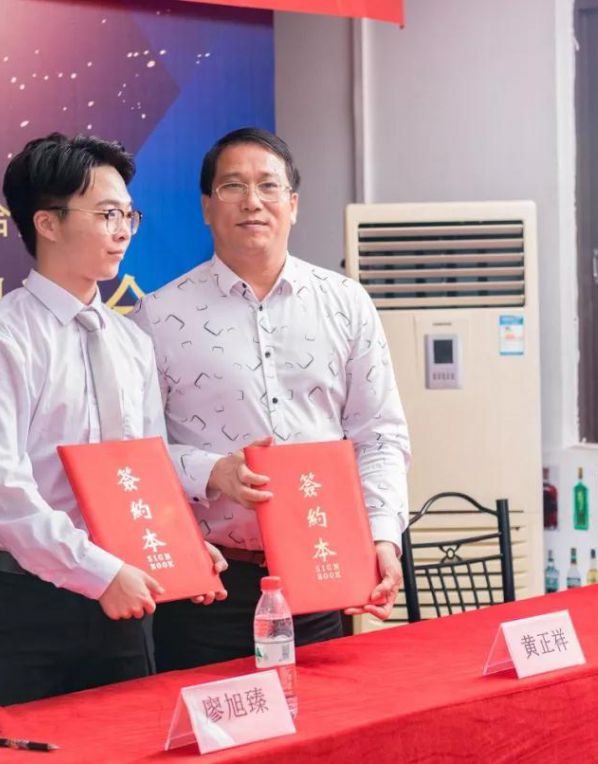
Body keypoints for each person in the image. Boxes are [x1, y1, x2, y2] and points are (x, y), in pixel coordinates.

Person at [0, 132, 242, 712]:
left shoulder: (130, 341)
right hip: (19, 603)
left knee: (128, 740)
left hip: (119, 597)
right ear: (47, 223)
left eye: (129, 215)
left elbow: (144, 469)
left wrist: (183, 546)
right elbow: (0, 491)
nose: (123, 230)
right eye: (107, 214)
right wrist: (98, 572)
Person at [132, 127, 411, 670]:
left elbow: (379, 435)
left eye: (268, 185)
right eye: (233, 186)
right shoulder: (158, 316)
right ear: (207, 207)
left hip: (322, 566)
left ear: (294, 204)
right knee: (213, 723)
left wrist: (382, 536)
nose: (252, 201)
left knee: (325, 720)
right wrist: (213, 471)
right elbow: (137, 453)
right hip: (208, 583)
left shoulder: (345, 303)